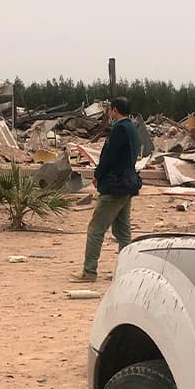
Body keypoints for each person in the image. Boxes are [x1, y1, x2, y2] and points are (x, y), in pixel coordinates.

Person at [72, 96, 142, 282]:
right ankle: (126, 271)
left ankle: (89, 272)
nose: (109, 114)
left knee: (96, 229)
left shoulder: (120, 129)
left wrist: (98, 175)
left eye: (110, 110)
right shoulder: (133, 129)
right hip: (127, 184)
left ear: (115, 110)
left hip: (114, 186)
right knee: (123, 232)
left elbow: (109, 157)